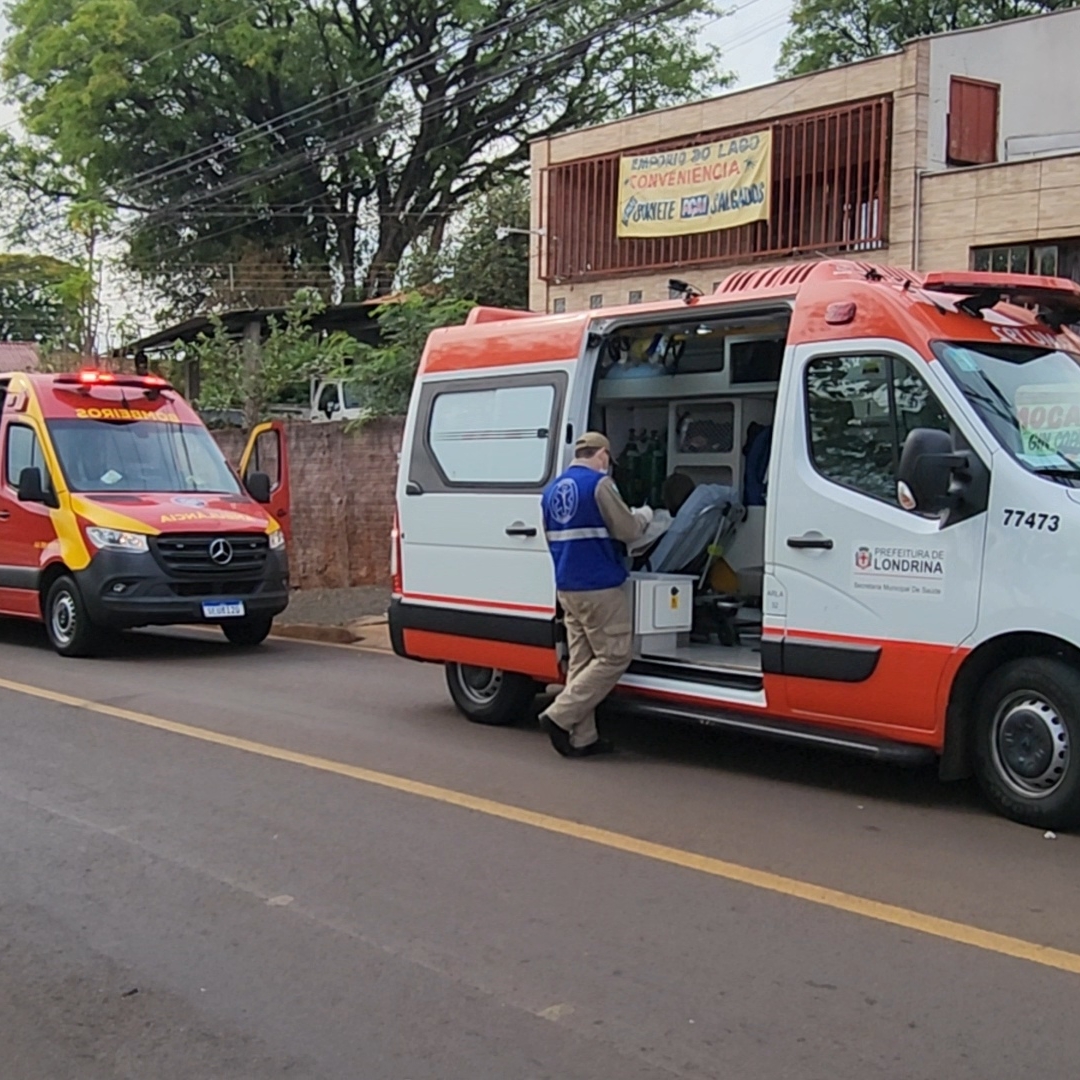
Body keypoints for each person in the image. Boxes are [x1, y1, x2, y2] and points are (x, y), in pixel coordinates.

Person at [539, 432, 653, 757]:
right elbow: (628, 530)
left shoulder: (551, 490)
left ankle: (583, 738)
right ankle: (559, 715)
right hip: (600, 586)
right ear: (602, 455)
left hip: (567, 586)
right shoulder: (599, 485)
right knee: (615, 656)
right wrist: (645, 515)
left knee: (582, 660)